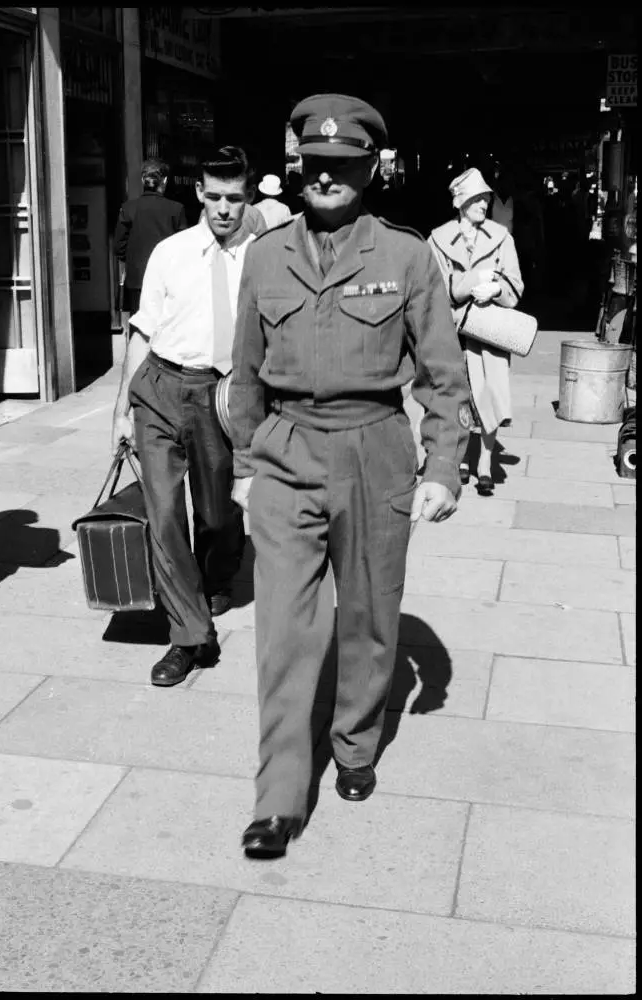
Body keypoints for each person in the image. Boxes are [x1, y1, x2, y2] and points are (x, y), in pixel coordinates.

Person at [228, 94, 470, 860]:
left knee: (368, 616)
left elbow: (442, 374)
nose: (327, 178)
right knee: (284, 632)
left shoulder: (404, 255)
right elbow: (242, 373)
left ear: (370, 169)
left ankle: (355, 745)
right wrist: (243, 462)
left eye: (343, 166)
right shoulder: (265, 255)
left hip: (375, 450)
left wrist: (443, 467)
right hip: (286, 451)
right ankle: (277, 796)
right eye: (315, 165)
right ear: (298, 167)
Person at [111, 146, 257, 688]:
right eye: (214, 197)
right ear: (198, 192)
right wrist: (122, 410)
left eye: (234, 199)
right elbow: (143, 329)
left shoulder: (264, 258)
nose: (223, 209)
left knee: (219, 517)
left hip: (223, 397)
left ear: (247, 199)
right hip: (160, 389)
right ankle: (189, 635)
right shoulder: (170, 252)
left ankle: (219, 572)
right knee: (166, 514)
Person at [428, 167, 524, 494]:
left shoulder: (501, 236)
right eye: (478, 198)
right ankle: (464, 458)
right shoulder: (438, 239)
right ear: (461, 202)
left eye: (486, 198)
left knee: (491, 396)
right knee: (460, 398)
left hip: (489, 332)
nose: (485, 203)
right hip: (454, 332)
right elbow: (434, 289)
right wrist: (471, 282)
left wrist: (497, 289)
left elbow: (516, 284)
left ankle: (484, 462)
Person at [113, 158, 188, 319]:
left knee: (139, 327)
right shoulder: (176, 209)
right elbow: (185, 248)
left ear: (142, 180)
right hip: (169, 279)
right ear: (165, 180)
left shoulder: (129, 208)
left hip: (137, 279)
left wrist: (133, 260)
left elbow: (118, 246)